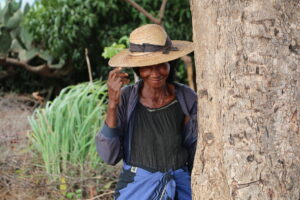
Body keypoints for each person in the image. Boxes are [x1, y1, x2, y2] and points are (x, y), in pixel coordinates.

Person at [96, 24, 197, 200]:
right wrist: (113, 102)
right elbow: (109, 156)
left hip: (180, 188)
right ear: (137, 69)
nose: (155, 73)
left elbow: (196, 147)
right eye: (147, 66)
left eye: (161, 65)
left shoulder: (185, 97)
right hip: (136, 188)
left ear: (170, 65)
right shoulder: (126, 98)